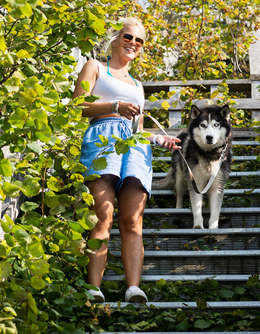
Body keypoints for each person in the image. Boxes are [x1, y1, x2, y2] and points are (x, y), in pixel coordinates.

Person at [73, 17, 181, 303]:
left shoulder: (137, 84)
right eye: (128, 37)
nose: (133, 43)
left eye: (139, 41)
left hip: (133, 148)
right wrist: (114, 106)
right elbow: (77, 105)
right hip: (101, 140)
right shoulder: (96, 67)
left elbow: (140, 130)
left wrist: (159, 140)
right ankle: (93, 288)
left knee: (133, 221)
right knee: (103, 215)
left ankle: (134, 288)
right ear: (116, 39)